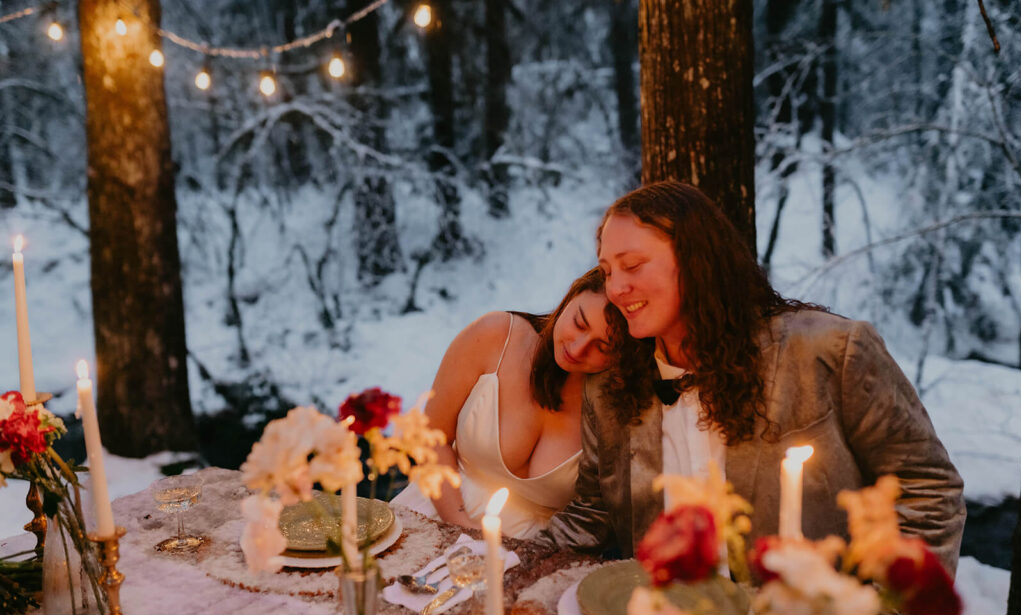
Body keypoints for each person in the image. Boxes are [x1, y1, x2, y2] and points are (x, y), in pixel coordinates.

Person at [535, 180, 965, 581]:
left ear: (696, 260)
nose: (615, 288)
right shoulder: (611, 390)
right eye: (608, 271)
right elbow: (591, 514)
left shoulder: (830, 351)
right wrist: (506, 568)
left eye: (631, 265)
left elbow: (928, 491)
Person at [391, 267, 635, 538]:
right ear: (572, 295)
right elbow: (430, 438)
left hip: (541, 555)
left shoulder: (617, 407)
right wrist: (462, 527)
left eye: (603, 347)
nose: (578, 348)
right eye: (579, 323)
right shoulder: (496, 335)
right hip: (437, 514)